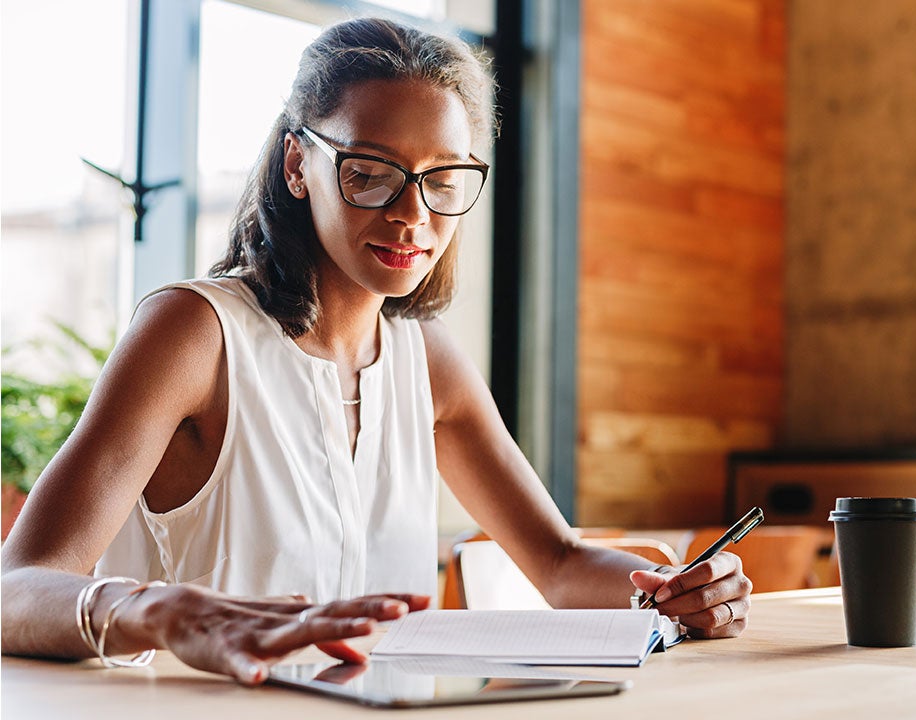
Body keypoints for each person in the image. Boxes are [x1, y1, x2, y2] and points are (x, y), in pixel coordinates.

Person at [0, 17, 752, 685]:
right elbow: (16, 589)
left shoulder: (427, 359)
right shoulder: (194, 333)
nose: (411, 215)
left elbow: (558, 564)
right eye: (369, 174)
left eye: (442, 179)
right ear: (297, 166)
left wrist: (677, 590)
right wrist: (167, 612)